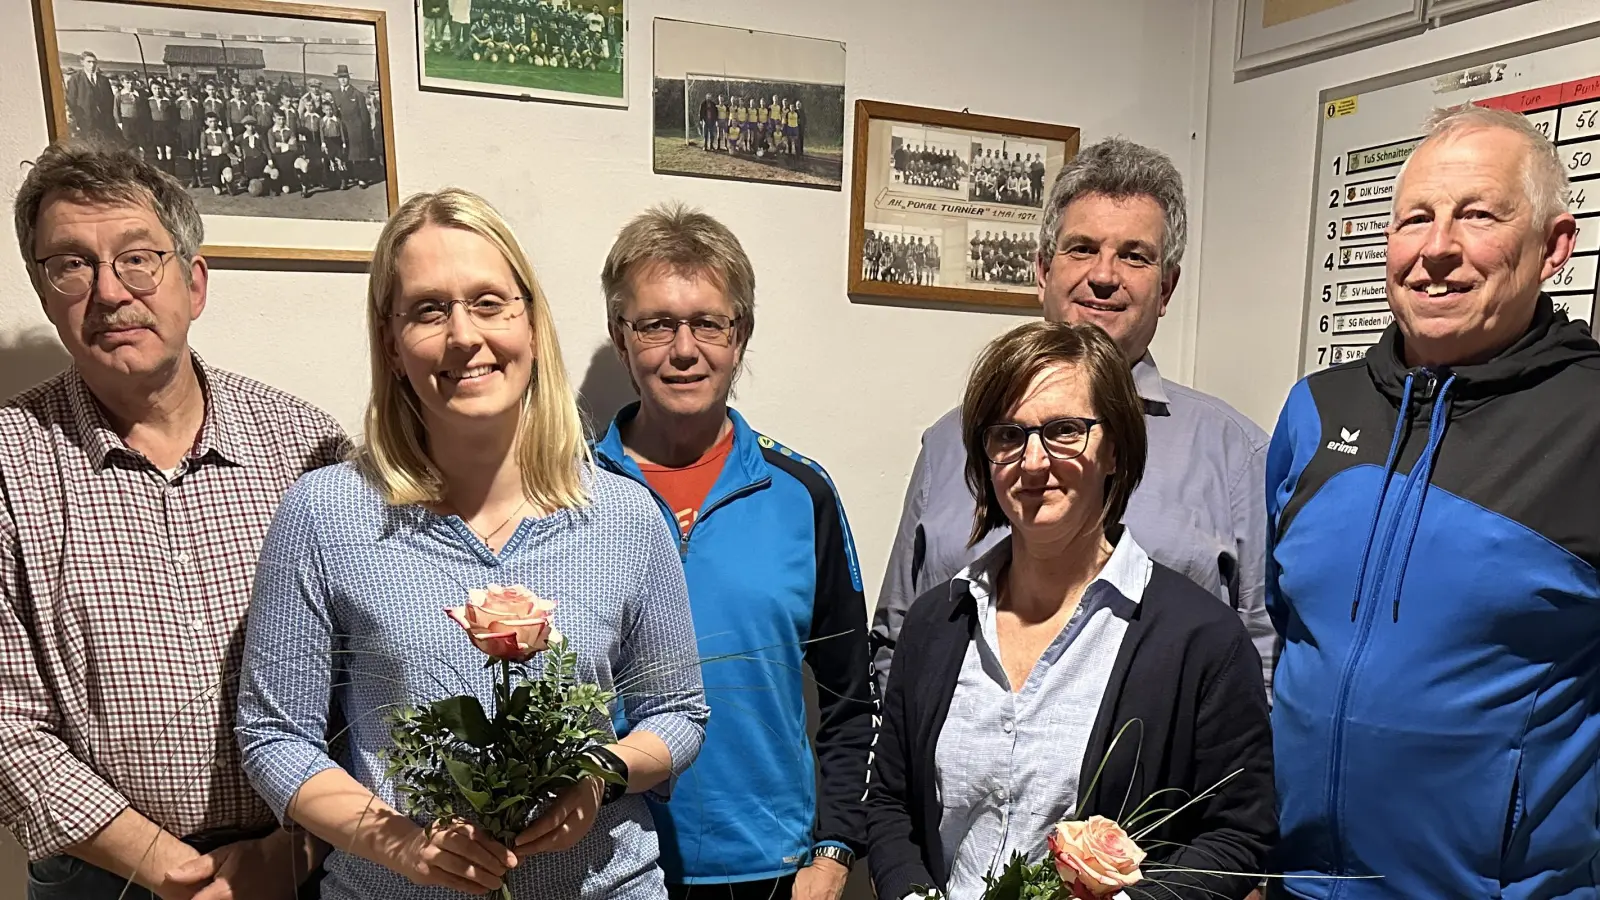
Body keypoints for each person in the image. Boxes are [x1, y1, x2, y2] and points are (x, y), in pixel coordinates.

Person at [236, 188, 709, 900]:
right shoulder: (327, 514)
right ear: (392, 344)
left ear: (530, 322)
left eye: (490, 303)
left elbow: (679, 713)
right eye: (429, 309)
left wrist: (600, 773)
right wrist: (398, 844)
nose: (464, 335)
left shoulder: (624, 516)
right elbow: (274, 738)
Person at [1267, 105, 1600, 898]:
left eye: (1478, 214)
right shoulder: (1315, 408)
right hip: (1298, 886)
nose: (1438, 248)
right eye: (1415, 218)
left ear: (1553, 246)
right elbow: (1287, 630)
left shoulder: (1590, 421)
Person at [1, 143, 346, 900]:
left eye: (137, 258)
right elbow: (6, 724)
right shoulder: (6, 465)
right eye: (71, 265)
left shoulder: (308, 446)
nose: (109, 292)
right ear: (44, 290)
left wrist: (299, 851)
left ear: (193, 284)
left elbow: (365, 670)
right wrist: (171, 870)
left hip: (308, 860)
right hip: (100, 877)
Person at [866, 321, 1274, 900]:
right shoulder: (939, 622)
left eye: (1064, 431)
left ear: (1115, 448)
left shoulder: (1201, 640)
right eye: (1009, 435)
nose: (1033, 463)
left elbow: (1238, 832)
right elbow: (889, 801)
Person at [872, 138, 1277, 697]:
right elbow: (897, 637)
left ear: (1167, 287)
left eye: (1135, 255)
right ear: (1042, 270)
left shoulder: (1235, 455)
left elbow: (1264, 656)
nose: (1104, 275)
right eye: (1082, 248)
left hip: (1155, 781)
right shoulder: (951, 441)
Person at [593, 204, 875, 900]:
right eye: (656, 323)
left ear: (739, 336)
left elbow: (850, 699)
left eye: (708, 323)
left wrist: (835, 850)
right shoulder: (569, 494)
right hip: (602, 858)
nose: (683, 349)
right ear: (620, 338)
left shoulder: (801, 493)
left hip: (769, 869)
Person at [329, 65, 373, 188]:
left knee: (359, 155)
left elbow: (364, 115)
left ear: (349, 78)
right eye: (340, 77)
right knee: (344, 154)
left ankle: (362, 178)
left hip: (356, 129)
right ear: (337, 79)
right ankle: (346, 178)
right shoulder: (335, 94)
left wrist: (365, 131)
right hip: (343, 129)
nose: (343, 80)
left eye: (345, 77)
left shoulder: (357, 94)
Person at [65, 52, 117, 143]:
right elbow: (71, 100)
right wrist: (78, 119)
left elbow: (110, 100)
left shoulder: (104, 80)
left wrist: (110, 118)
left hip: (104, 121)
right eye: (89, 62)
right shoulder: (75, 79)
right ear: (82, 62)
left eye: (94, 62)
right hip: (85, 121)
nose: (92, 65)